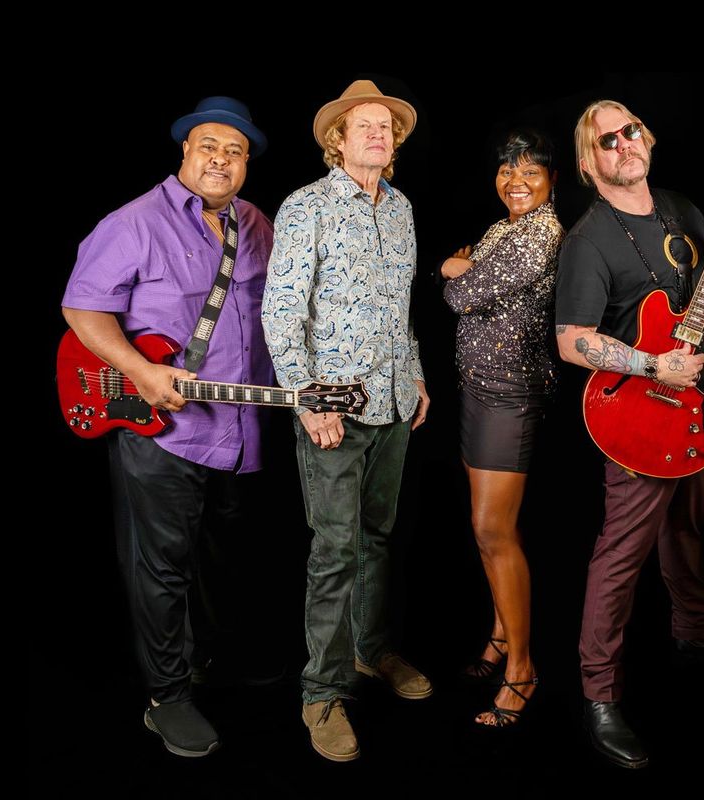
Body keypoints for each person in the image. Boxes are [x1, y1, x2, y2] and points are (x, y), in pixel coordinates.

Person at [554, 100, 704, 770]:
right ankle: (599, 696)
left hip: (698, 404)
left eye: (631, 131)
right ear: (588, 161)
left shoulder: (680, 209)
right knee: (623, 554)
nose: (625, 143)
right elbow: (571, 340)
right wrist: (652, 365)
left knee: (688, 528)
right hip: (638, 415)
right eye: (607, 140)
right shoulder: (589, 239)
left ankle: (694, 636)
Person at [61, 96, 274, 758]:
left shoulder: (256, 223)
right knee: (162, 566)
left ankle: (214, 662)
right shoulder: (134, 223)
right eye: (209, 145)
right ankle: (167, 697)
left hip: (238, 428)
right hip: (160, 428)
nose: (221, 159)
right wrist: (140, 370)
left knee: (223, 556)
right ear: (185, 150)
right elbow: (82, 310)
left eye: (236, 151)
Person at [262, 79, 431, 763]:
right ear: (338, 140)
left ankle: (370, 650)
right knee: (334, 551)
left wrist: (414, 374)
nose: (378, 133)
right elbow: (282, 311)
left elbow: (400, 308)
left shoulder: (402, 208)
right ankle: (322, 693)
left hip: (392, 404)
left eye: (386, 126)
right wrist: (308, 400)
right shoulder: (306, 205)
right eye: (364, 125)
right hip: (331, 408)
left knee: (376, 538)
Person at [439, 130, 563, 727]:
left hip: (509, 397)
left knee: (493, 529)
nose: (516, 180)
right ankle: (498, 635)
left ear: (553, 180)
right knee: (483, 528)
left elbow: (461, 295)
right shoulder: (502, 229)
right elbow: (475, 280)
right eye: (508, 169)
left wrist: (453, 268)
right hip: (476, 392)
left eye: (530, 171)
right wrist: (469, 266)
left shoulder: (540, 233)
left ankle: (523, 669)